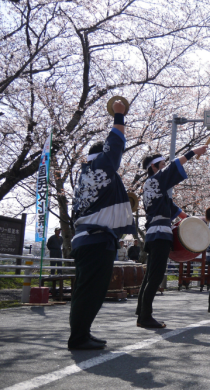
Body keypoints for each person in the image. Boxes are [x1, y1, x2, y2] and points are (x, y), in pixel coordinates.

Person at [68, 100, 136, 350]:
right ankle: (78, 338)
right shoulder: (100, 167)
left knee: (87, 290)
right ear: (102, 155)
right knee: (90, 291)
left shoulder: (84, 174)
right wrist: (119, 116)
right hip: (96, 240)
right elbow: (116, 145)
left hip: (87, 239)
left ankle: (82, 333)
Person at [136, 144, 207, 327]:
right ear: (153, 167)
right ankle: (145, 317)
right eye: (161, 164)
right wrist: (193, 152)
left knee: (151, 275)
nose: (164, 167)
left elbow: (182, 215)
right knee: (156, 276)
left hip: (156, 234)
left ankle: (141, 311)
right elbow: (172, 168)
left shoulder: (160, 194)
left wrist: (199, 221)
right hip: (159, 234)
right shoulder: (153, 181)